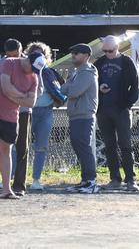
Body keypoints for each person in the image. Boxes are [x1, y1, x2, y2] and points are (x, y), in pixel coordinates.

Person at [93, 35, 139, 192]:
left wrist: (127, 105)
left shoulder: (126, 62)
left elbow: (135, 86)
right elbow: (92, 82)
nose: (108, 53)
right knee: (109, 145)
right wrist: (99, 88)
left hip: (121, 110)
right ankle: (115, 178)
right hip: (103, 109)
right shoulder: (99, 63)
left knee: (126, 144)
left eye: (111, 50)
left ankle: (131, 179)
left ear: (118, 47)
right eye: (105, 51)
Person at [26, 42, 67, 191]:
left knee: (41, 147)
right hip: (27, 112)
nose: (37, 57)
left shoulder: (50, 72)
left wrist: (58, 101)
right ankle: (12, 178)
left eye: (41, 54)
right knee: (18, 147)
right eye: (34, 54)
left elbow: (62, 89)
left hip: (46, 112)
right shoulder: (24, 71)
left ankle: (36, 179)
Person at [60, 44, 100, 194]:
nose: (73, 56)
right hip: (76, 115)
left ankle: (91, 181)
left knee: (84, 147)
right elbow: (62, 89)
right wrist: (70, 85)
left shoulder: (86, 73)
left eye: (76, 53)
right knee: (79, 147)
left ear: (86, 55)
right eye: (72, 53)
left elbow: (73, 92)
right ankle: (85, 180)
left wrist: (69, 85)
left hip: (84, 115)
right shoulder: (77, 73)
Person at [0, 52, 38, 199]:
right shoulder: (9, 63)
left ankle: (7, 189)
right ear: (27, 60)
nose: (32, 72)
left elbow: (31, 103)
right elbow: (5, 87)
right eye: (32, 68)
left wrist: (13, 94)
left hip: (10, 117)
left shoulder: (34, 76)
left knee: (6, 150)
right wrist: (22, 95)